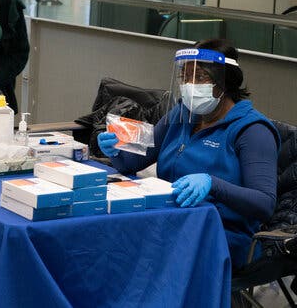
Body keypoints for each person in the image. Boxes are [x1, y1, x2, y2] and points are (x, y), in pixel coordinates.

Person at [97, 39, 280, 270]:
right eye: (185, 76)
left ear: (225, 83)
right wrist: (116, 150)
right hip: (170, 221)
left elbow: (264, 204)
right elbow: (133, 163)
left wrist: (212, 184)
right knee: (109, 236)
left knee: (132, 253)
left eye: (200, 77)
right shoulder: (182, 115)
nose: (189, 84)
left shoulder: (252, 130)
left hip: (220, 234)